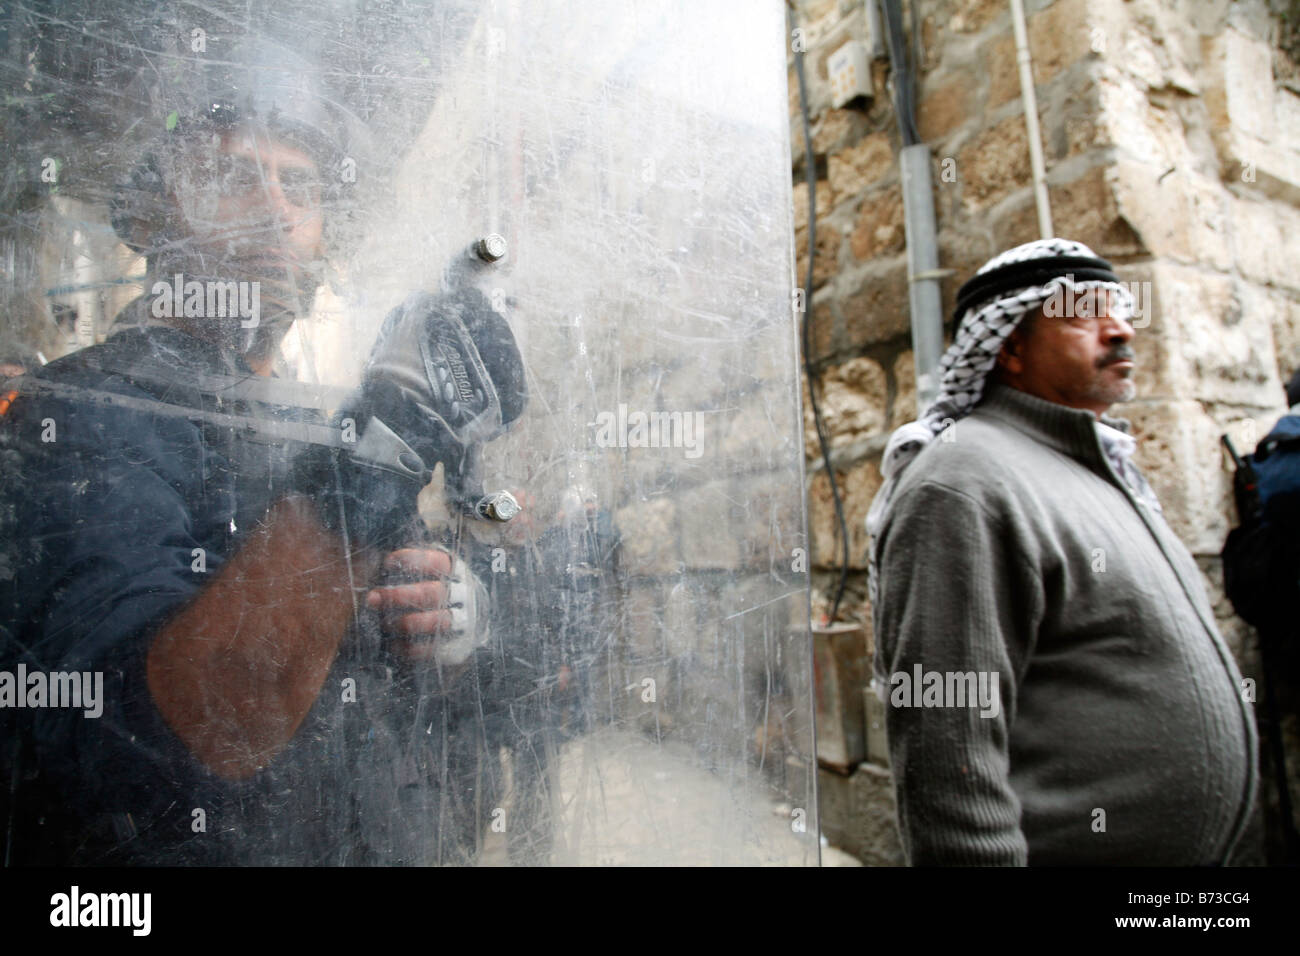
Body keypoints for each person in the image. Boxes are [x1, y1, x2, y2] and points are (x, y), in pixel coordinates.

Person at [0, 39, 527, 865]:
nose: (274, 209)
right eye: (234, 176)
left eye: (299, 185)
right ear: (154, 214)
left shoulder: (315, 412)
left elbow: (436, 672)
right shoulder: (76, 413)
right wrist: (382, 451)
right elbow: (198, 723)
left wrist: (455, 616)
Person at [865, 238, 1258, 866]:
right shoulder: (966, 481)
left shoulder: (1101, 470)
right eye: (1084, 315)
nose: (1121, 331)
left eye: (1122, 313)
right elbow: (948, 757)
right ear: (1009, 346)